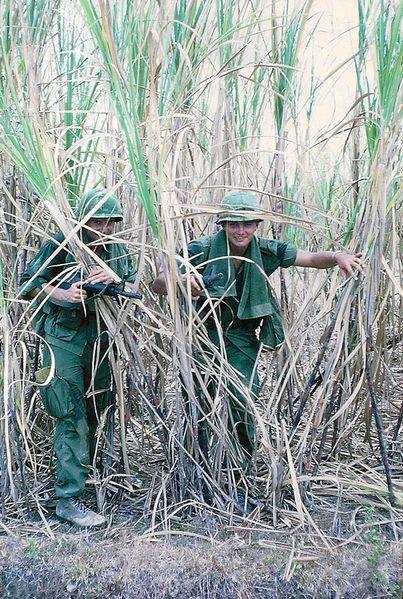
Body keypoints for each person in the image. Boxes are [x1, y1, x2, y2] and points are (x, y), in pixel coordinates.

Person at [152, 190, 365, 469]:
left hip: (241, 337)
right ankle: (198, 466)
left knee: (243, 400)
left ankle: (239, 467)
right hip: (200, 334)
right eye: (233, 224)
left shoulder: (267, 249)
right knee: (199, 402)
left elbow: (312, 259)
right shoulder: (200, 249)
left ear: (256, 225)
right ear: (223, 225)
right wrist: (180, 281)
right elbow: (158, 282)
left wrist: (338, 256)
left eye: (248, 224)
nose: (241, 231)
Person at [20, 189, 138, 528]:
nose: (102, 229)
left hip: (100, 338)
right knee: (70, 411)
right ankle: (68, 500)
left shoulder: (116, 249)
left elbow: (132, 284)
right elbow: (28, 282)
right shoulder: (62, 242)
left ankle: (91, 477)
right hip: (63, 338)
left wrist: (115, 279)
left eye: (109, 222)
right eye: (95, 222)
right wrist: (62, 293)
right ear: (82, 221)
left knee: (96, 408)